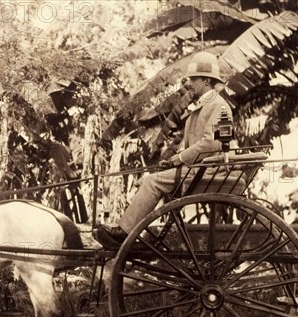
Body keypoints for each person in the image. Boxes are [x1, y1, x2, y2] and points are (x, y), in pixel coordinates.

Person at [94, 51, 233, 249]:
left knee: (152, 182)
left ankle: (124, 234)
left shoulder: (219, 106)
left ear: (206, 81)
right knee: (149, 178)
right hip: (199, 168)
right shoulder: (202, 106)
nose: (190, 83)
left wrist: (179, 159)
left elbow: (213, 143)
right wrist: (174, 159)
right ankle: (149, 236)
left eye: (194, 79)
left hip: (209, 170)